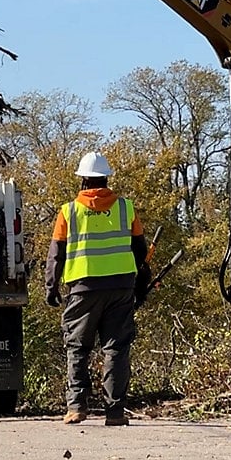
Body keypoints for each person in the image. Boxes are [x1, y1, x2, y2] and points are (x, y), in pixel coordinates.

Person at [45, 152, 149, 427]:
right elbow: (140, 249)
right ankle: (114, 412)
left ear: (82, 181)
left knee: (77, 347)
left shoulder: (69, 211)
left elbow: (56, 254)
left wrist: (51, 286)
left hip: (83, 288)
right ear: (106, 179)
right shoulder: (126, 207)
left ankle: (77, 407)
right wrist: (140, 281)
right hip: (120, 287)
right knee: (116, 348)